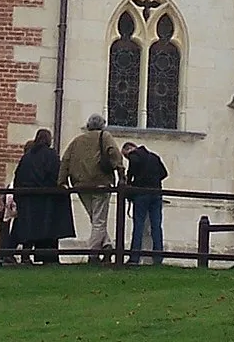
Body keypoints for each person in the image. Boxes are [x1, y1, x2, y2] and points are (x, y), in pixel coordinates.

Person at [60, 113, 128, 262]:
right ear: (102, 125)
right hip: (100, 183)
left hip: (80, 184)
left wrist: (62, 181)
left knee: (96, 218)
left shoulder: (77, 141)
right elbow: (114, 153)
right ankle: (94, 253)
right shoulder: (105, 136)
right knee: (99, 220)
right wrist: (121, 173)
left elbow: (65, 160)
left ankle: (107, 245)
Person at [9, 129, 72, 265]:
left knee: (28, 228)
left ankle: (25, 256)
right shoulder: (51, 155)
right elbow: (57, 175)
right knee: (46, 228)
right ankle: (47, 257)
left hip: (27, 198)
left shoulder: (27, 157)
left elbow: (18, 177)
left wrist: (19, 195)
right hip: (46, 199)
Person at [122, 140, 168, 265]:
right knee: (156, 226)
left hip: (141, 195)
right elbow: (164, 173)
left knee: (139, 226)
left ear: (129, 149)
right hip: (156, 193)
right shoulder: (154, 157)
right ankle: (158, 257)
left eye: (125, 155)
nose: (127, 158)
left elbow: (131, 175)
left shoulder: (134, 156)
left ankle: (134, 257)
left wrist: (135, 182)